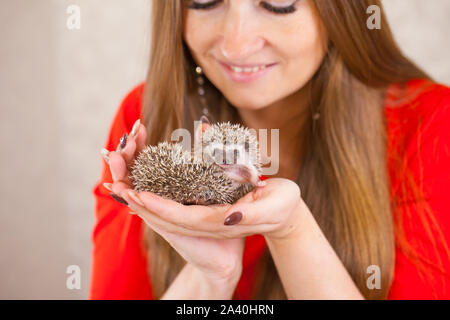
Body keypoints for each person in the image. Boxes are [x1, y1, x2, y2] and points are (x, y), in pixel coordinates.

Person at [90, 0, 450, 299]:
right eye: (204, 0)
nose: (235, 45)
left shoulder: (433, 125)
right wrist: (210, 277)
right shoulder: (144, 116)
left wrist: (290, 229)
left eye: (277, 3)